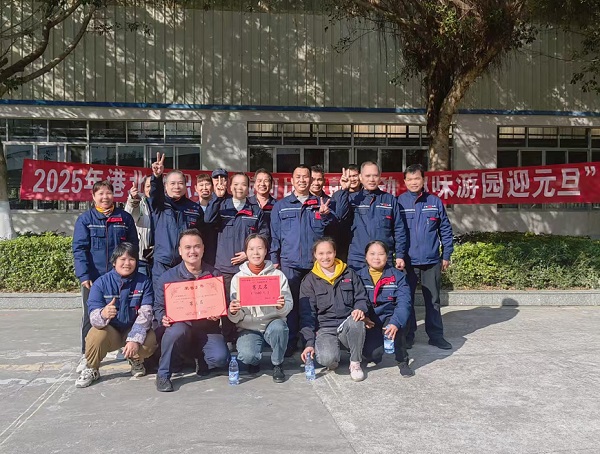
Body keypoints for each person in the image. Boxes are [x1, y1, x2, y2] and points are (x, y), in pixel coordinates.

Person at [270, 164, 337, 357]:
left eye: (305, 176)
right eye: (298, 176)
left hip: (315, 265)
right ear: (292, 180)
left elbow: (331, 231)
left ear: (311, 180)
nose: (302, 180)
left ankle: (312, 342)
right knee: (290, 305)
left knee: (314, 305)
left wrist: (325, 216)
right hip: (289, 263)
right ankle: (290, 341)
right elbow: (275, 236)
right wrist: (274, 259)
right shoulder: (281, 206)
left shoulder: (321, 203)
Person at [72, 180, 138, 373]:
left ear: (113, 195)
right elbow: (79, 249)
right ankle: (87, 355)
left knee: (126, 312)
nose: (105, 197)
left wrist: (133, 272)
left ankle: (127, 350)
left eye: (108, 193)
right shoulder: (86, 219)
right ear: (93, 197)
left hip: (121, 278)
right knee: (90, 316)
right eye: (100, 193)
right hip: (94, 278)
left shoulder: (124, 218)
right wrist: (84, 275)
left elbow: (133, 247)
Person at [153, 229, 229, 392]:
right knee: (176, 331)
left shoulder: (214, 274)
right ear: (180, 251)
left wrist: (218, 314)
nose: (192, 251)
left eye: (196, 246)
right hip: (182, 328)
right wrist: (163, 317)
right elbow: (158, 307)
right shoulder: (168, 277)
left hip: (207, 329)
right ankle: (163, 374)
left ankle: (200, 359)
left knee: (221, 358)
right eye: (187, 247)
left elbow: (224, 304)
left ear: (203, 249)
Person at [75, 242, 157, 387]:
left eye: (131, 259)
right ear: (114, 262)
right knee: (96, 334)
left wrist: (134, 340)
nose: (127, 263)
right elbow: (93, 317)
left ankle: (135, 359)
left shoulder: (144, 282)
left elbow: (146, 313)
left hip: (131, 329)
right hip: (110, 332)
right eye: (122, 259)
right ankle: (92, 368)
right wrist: (103, 313)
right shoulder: (101, 283)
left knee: (150, 339)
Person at [204, 172, 269, 347]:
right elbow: (207, 220)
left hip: (247, 268)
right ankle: (228, 339)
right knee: (227, 304)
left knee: (248, 304)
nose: (239, 188)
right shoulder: (221, 206)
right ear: (230, 187)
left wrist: (248, 254)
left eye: (243, 185)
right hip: (224, 266)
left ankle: (248, 337)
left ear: (249, 188)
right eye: (236, 184)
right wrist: (217, 198)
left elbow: (264, 236)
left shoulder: (255, 211)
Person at [397, 164, 454, 350]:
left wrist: (446, 254)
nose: (414, 182)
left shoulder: (434, 202)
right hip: (408, 262)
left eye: (417, 179)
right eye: (410, 179)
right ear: (404, 181)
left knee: (433, 301)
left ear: (424, 180)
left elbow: (445, 229)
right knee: (407, 300)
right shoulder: (399, 202)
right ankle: (408, 336)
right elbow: (394, 231)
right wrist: (397, 256)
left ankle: (436, 336)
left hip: (431, 261)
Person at [299, 237, 368, 382]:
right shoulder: (309, 281)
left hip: (347, 323)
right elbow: (307, 314)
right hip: (325, 328)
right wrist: (309, 343)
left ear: (335, 253)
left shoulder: (349, 273)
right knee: (327, 359)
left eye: (329, 252)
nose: (325, 257)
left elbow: (361, 297)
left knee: (357, 321)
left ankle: (355, 363)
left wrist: (360, 308)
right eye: (321, 253)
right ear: (315, 255)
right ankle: (334, 356)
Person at [228, 234, 293, 383]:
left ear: (266, 251)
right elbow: (236, 316)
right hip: (249, 327)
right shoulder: (238, 278)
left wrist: (281, 306)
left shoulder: (278, 275)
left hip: (272, 323)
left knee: (279, 328)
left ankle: (277, 363)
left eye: (260, 248)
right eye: (251, 249)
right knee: (247, 356)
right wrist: (233, 311)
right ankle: (254, 360)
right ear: (246, 252)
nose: (256, 253)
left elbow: (289, 304)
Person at [333, 161, 406, 271]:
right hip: (358, 258)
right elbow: (340, 215)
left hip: (383, 258)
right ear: (361, 177)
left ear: (380, 177)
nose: (371, 179)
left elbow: (399, 229)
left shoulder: (389, 199)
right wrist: (344, 190)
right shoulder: (352, 198)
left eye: (375, 175)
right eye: (367, 176)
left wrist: (400, 255)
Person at [357, 240, 414, 377]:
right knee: (373, 354)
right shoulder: (358, 276)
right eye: (372, 254)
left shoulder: (398, 276)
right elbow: (354, 300)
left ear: (387, 256)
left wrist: (395, 322)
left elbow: (404, 303)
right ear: (366, 257)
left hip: (389, 317)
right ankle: (368, 355)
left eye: (381, 254)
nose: (376, 258)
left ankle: (402, 361)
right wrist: (364, 317)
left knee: (398, 328)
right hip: (369, 319)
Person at [148, 152, 201, 289]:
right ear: (166, 186)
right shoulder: (159, 204)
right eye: (172, 183)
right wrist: (157, 177)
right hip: (162, 264)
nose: (177, 187)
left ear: (186, 186)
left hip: (186, 264)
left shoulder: (194, 208)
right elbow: (155, 193)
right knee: (161, 298)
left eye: (180, 183)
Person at [125, 176, 153, 276]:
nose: (151, 189)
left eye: (154, 186)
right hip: (141, 258)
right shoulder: (139, 203)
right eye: (148, 186)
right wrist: (133, 200)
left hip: (160, 259)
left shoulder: (166, 205)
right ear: (144, 188)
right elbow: (130, 216)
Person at [335, 164, 361, 262]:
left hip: (360, 240)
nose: (352, 179)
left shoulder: (367, 195)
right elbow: (340, 215)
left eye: (355, 176)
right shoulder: (338, 195)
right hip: (343, 241)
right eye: (349, 176)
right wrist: (344, 190)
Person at [195, 173, 218, 266]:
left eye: (207, 184)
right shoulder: (192, 209)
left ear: (212, 188)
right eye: (201, 185)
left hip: (215, 254)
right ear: (196, 188)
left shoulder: (219, 208)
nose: (204, 188)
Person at [249, 168, 277, 236]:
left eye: (266, 181)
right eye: (259, 181)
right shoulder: (246, 204)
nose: (262, 184)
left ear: (271, 185)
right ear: (254, 184)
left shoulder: (277, 206)